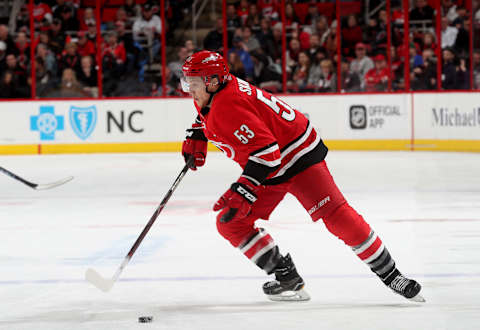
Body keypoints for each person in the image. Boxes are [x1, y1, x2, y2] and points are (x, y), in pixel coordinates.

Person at [180, 50, 425, 302]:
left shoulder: (226, 105)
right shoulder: (216, 91)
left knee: (337, 216)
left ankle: (391, 275)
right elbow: (211, 114)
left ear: (212, 81)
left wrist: (243, 188)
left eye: (193, 83)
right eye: (187, 81)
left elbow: (268, 153)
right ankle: (286, 277)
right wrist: (197, 133)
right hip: (270, 165)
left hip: (297, 157)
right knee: (230, 223)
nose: (189, 88)